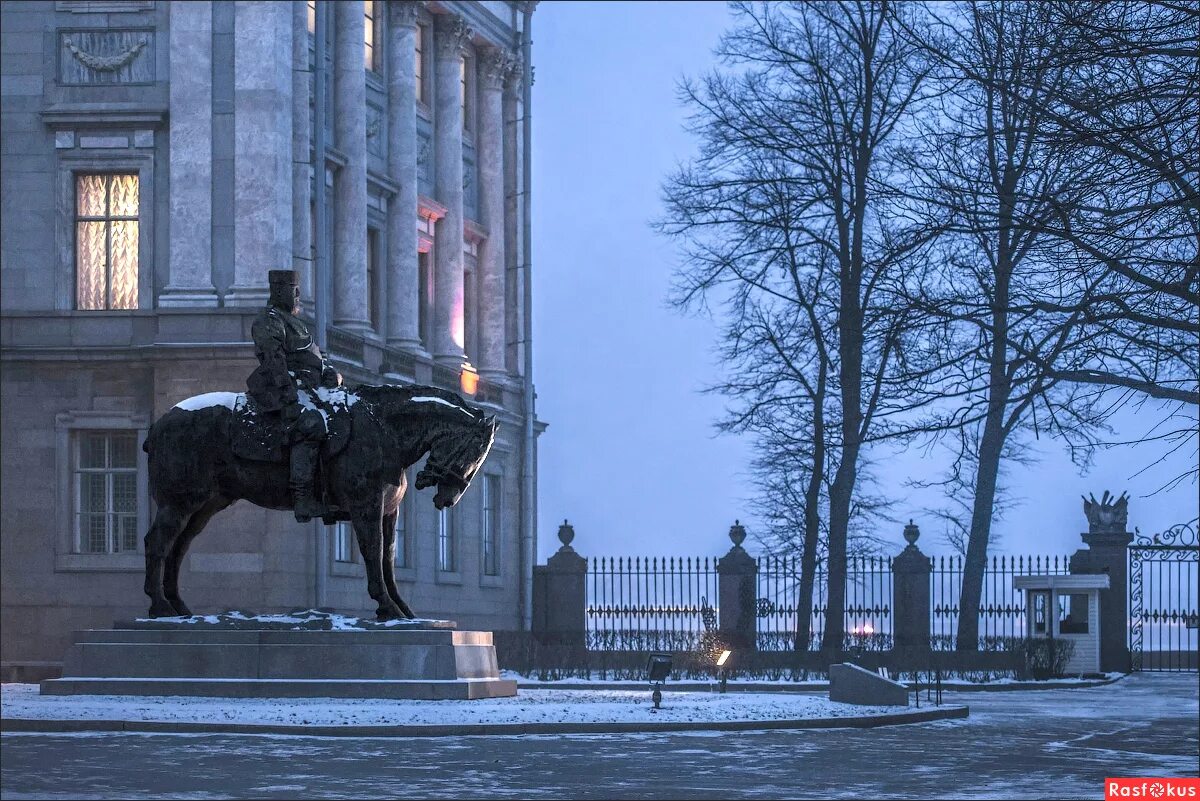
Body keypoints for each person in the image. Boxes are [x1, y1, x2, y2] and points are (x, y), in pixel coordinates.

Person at [247, 270, 343, 522]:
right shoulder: (269, 321)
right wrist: (289, 399)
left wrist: (332, 373)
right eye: (294, 289)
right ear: (279, 291)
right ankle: (303, 498)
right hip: (278, 390)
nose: (298, 295)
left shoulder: (295, 322)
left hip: (308, 389)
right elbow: (274, 361)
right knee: (310, 426)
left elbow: (318, 357)